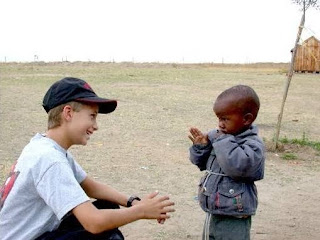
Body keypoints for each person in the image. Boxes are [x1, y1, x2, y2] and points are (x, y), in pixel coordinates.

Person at [0, 77, 175, 240]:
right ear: (68, 113)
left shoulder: (44, 146)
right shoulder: (50, 160)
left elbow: (91, 186)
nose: (96, 126)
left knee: (108, 206)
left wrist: (133, 203)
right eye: (92, 116)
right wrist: (142, 211)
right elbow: (94, 223)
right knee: (107, 234)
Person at [188, 85, 265, 240]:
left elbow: (238, 167)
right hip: (215, 209)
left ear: (246, 119)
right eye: (219, 118)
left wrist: (221, 139)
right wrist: (201, 147)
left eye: (225, 119)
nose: (220, 124)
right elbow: (201, 164)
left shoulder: (253, 144)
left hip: (235, 215)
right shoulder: (222, 137)